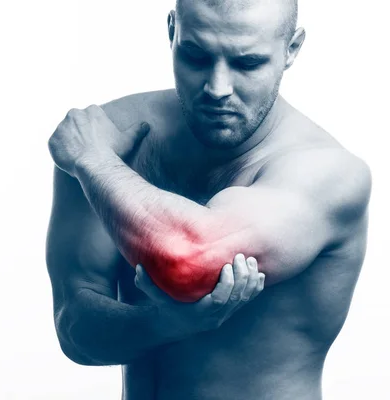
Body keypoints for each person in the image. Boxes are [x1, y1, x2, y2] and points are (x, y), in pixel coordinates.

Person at [45, 0, 372, 398]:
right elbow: (74, 330)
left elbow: (188, 258)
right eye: (196, 55)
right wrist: (163, 323)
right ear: (172, 31)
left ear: (291, 49)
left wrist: (93, 162)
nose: (217, 88)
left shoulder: (328, 173)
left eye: (247, 63)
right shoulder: (111, 132)